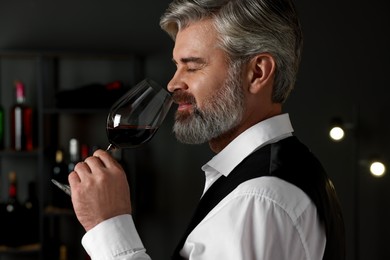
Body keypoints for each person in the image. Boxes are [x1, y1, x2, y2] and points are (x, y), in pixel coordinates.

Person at [69, 0, 346, 259]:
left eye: (192, 66)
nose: (173, 84)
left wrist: (108, 225)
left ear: (257, 73)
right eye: (177, 66)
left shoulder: (258, 199)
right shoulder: (281, 172)